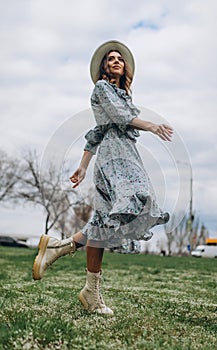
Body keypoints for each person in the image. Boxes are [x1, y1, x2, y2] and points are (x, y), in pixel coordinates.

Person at [32, 40, 173, 315]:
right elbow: (119, 119)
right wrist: (152, 126)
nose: (116, 61)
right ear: (104, 67)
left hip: (127, 154)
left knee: (104, 222)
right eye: (110, 59)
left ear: (126, 67)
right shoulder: (102, 89)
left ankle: (82, 281)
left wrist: (83, 166)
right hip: (113, 157)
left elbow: (96, 131)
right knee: (137, 197)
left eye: (120, 58)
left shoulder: (122, 95)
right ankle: (60, 252)